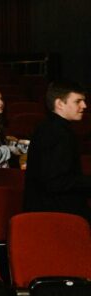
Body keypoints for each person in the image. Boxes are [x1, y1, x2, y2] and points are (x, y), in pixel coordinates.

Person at [23, 81, 91, 220]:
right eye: (78, 101)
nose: (84, 106)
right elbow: (56, 181)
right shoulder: (59, 133)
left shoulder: (48, 127)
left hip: (48, 210)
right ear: (60, 104)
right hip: (57, 214)